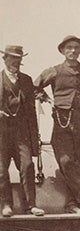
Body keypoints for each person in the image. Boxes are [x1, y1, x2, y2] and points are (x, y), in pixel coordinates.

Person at [35, 35, 80, 214]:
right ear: (63, 51)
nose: (72, 51)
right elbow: (34, 87)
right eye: (69, 48)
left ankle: (72, 205)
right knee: (65, 161)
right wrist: (45, 98)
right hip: (61, 122)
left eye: (76, 48)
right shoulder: (54, 71)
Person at [0, 44, 43, 216]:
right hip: (1, 134)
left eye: (19, 59)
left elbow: (31, 112)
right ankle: (6, 205)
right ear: (5, 59)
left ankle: (31, 205)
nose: (16, 62)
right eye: (12, 58)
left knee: (27, 166)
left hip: (21, 134)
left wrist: (34, 141)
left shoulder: (27, 80)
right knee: (1, 170)